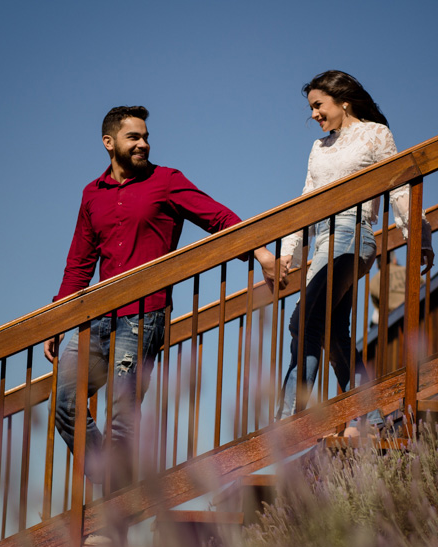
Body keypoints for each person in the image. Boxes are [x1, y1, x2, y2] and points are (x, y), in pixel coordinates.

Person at [45, 106, 284, 504]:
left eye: (145, 136)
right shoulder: (92, 194)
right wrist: (57, 320)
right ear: (109, 144)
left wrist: (260, 251)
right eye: (132, 137)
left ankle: (114, 511)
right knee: (66, 405)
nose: (143, 143)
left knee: (122, 414)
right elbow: (80, 262)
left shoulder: (166, 180)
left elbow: (218, 217)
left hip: (144, 317)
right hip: (98, 319)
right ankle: (115, 480)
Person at [275, 71, 434, 432]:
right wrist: (288, 252)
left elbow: (398, 188)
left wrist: (419, 236)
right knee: (331, 331)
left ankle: (287, 421)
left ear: (342, 100)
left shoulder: (375, 134)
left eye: (318, 105)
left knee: (304, 321)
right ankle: (372, 417)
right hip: (321, 243)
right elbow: (306, 200)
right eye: (311, 108)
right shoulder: (319, 147)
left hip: (352, 235)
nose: (314, 114)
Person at [369, 252, 406, 326]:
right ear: (394, 260)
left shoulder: (373, 282)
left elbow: (378, 308)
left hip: (394, 322)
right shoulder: (408, 269)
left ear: (377, 265)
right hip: (418, 310)